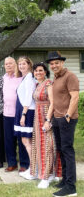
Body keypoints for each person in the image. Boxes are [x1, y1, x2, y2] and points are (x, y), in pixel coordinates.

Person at [46, 51, 79, 197]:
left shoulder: (70, 76)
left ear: (62, 62)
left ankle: (71, 187)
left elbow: (75, 97)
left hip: (66, 119)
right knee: (61, 150)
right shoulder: (56, 78)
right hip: (57, 118)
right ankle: (65, 180)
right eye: (52, 63)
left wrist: (67, 115)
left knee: (67, 150)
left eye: (56, 63)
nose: (54, 65)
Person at [30, 62, 62, 189]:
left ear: (45, 72)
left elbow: (53, 103)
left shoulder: (48, 84)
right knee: (41, 146)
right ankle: (50, 173)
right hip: (37, 118)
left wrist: (48, 120)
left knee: (48, 146)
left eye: (40, 70)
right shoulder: (38, 84)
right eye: (36, 71)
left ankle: (46, 177)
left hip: (46, 117)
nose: (38, 73)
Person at [3, 57, 29, 173]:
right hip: (6, 114)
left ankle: (24, 164)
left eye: (11, 63)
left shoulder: (21, 78)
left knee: (21, 139)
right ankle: (12, 163)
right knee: (9, 140)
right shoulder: (3, 78)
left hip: (19, 114)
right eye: (6, 64)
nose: (8, 65)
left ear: (15, 65)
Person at [14, 56, 36, 180]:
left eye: (24, 64)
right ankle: (33, 168)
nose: (21, 66)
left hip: (26, 112)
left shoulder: (29, 78)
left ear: (29, 65)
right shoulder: (25, 78)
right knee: (25, 141)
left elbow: (28, 97)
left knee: (27, 142)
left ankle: (33, 170)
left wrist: (23, 114)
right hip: (22, 111)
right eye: (20, 64)